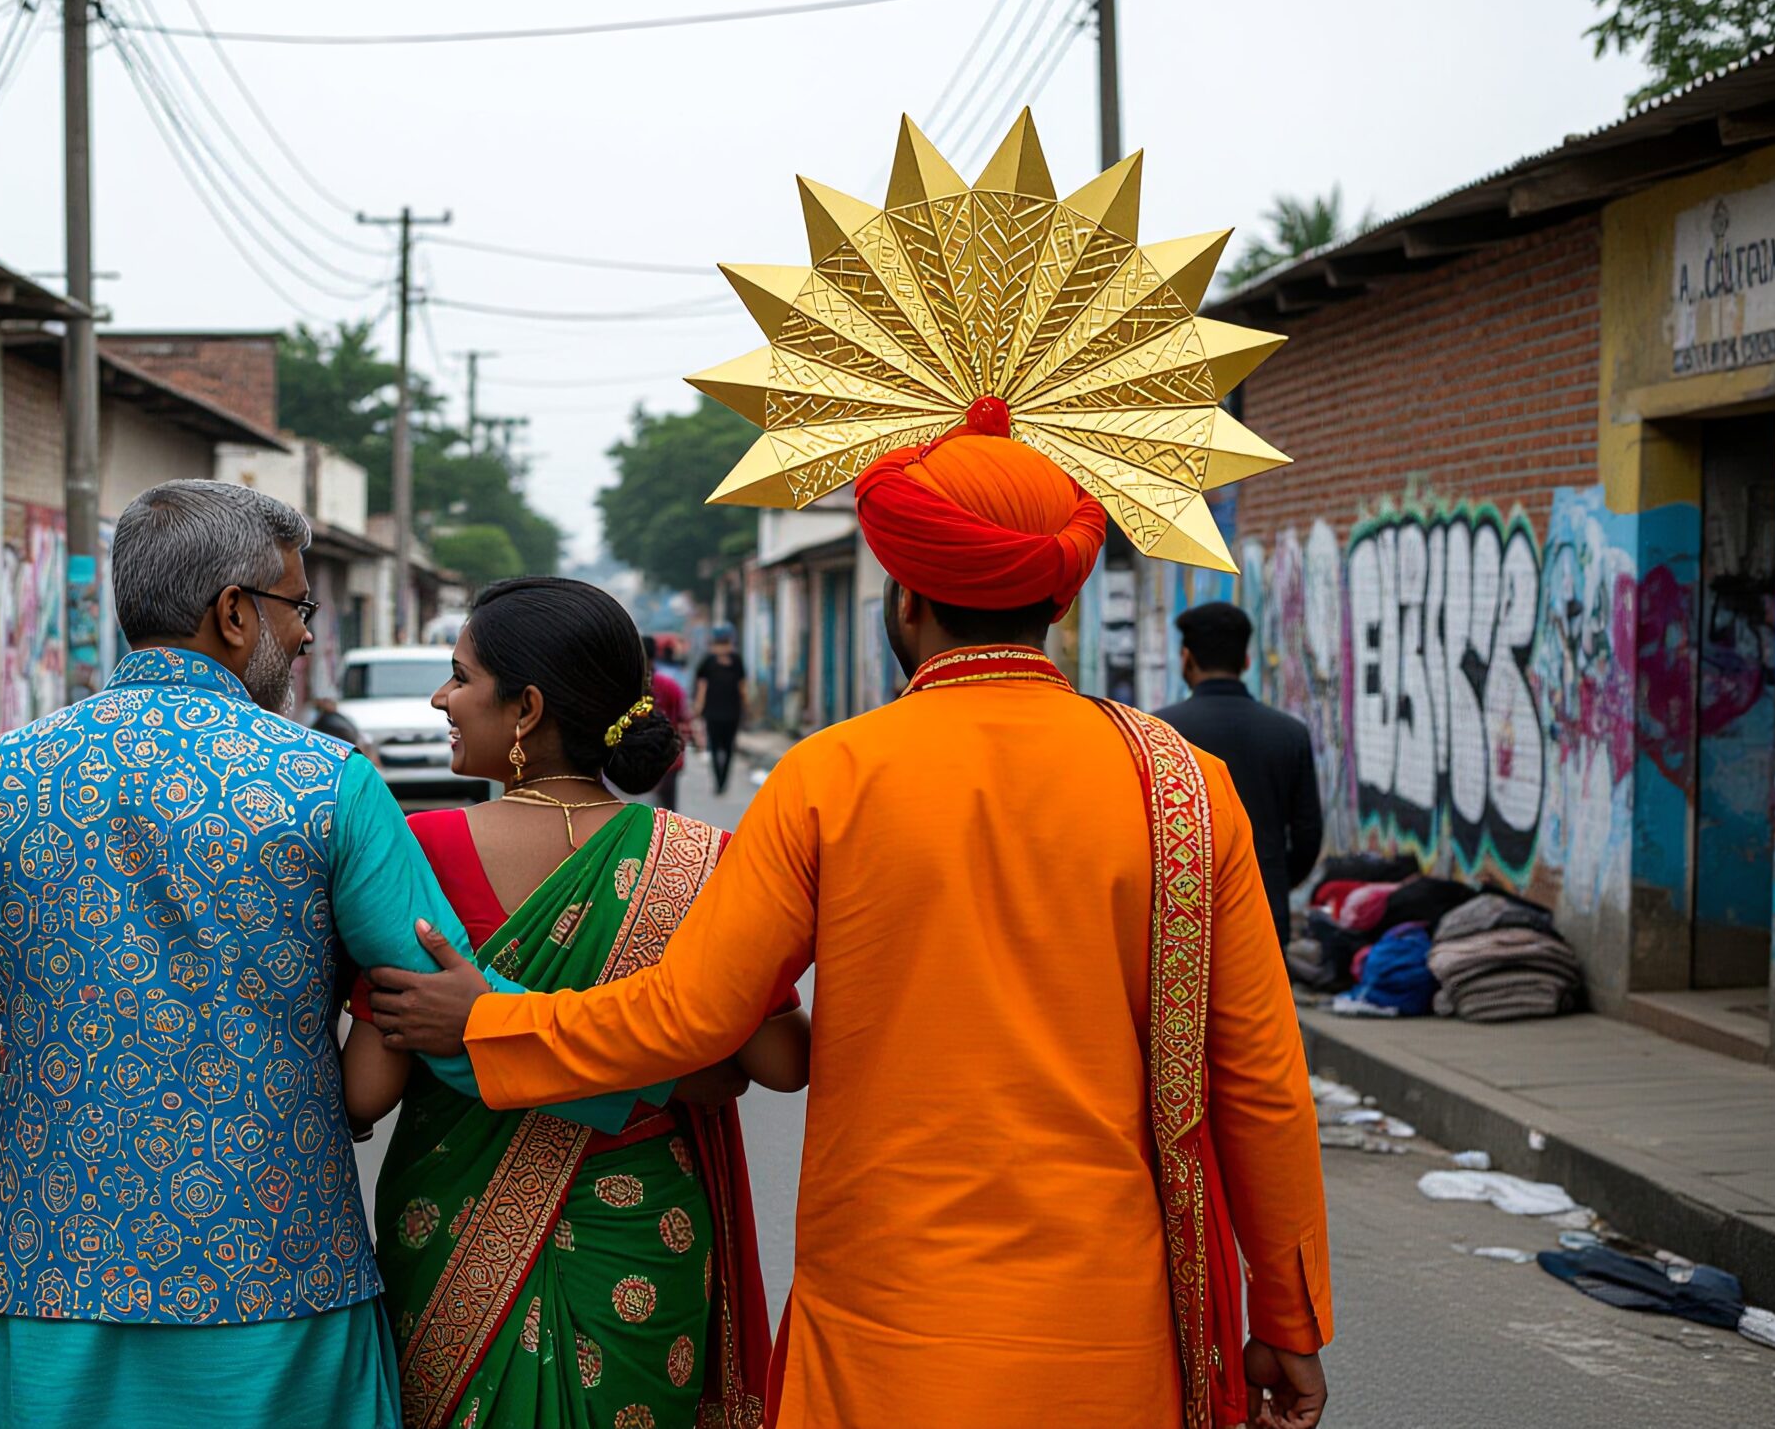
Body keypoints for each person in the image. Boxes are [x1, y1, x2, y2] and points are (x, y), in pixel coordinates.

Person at [370, 414, 1334, 1428]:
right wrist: (1286, 1311)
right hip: (1108, 1317)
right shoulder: (1183, 787)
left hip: (888, 1312)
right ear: (1059, 596)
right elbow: (1260, 1079)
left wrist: (490, 1020)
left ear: (903, 597)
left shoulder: (833, 776)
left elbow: (689, 1017)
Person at [0, 480, 642, 1429]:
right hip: (281, 1284)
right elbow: (448, 1005)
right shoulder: (326, 783)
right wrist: (648, 1070)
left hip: (49, 1284)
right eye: (299, 607)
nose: (306, 637)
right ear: (233, 613)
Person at [343, 576, 808, 1429]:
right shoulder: (702, 862)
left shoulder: (421, 851)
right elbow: (775, 1061)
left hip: (450, 1231)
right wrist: (674, 1067)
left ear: (526, 709)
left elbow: (369, 1089)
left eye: (460, 676)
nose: (442, 698)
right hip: (642, 1235)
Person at [1156, 602, 1325, 951]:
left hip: (1178, 915)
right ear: (1246, 660)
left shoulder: (1158, 733)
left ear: (1186, 658)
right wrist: (1270, 881)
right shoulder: (1289, 734)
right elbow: (1308, 837)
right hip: (1264, 911)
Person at [692, 625, 749, 795]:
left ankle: (721, 781)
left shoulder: (734, 661)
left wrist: (698, 708)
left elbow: (742, 687)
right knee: (720, 747)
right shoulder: (710, 662)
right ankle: (720, 781)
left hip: (728, 712)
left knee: (724, 747)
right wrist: (698, 707)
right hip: (717, 713)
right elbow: (702, 687)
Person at [639, 638, 693, 811]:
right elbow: (684, 719)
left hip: (664, 761)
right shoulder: (669, 685)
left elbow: (683, 719)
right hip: (657, 760)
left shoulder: (667, 686)